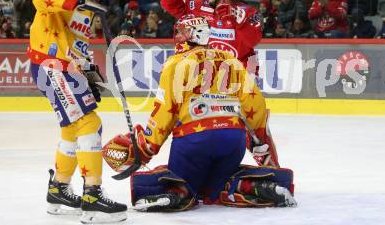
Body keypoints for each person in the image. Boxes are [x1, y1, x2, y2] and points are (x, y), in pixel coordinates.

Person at [102, 14, 296, 212]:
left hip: (194, 139)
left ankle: (177, 193)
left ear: (194, 34)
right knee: (219, 185)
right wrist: (262, 148)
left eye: (181, 32)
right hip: (232, 140)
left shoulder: (175, 63)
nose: (177, 36)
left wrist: (145, 148)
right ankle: (253, 186)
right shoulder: (232, 60)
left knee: (180, 180)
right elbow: (256, 107)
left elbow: (164, 113)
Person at [27, 0, 127, 224]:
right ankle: (92, 197)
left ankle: (59, 189)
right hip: (51, 60)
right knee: (90, 123)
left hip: (66, 63)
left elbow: (77, 38)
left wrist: (86, 69)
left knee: (73, 129)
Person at [159, 0, 262, 74]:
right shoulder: (200, 6)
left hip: (240, 76)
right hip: (211, 76)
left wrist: (235, 18)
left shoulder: (246, 12)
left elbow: (254, 40)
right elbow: (173, 6)